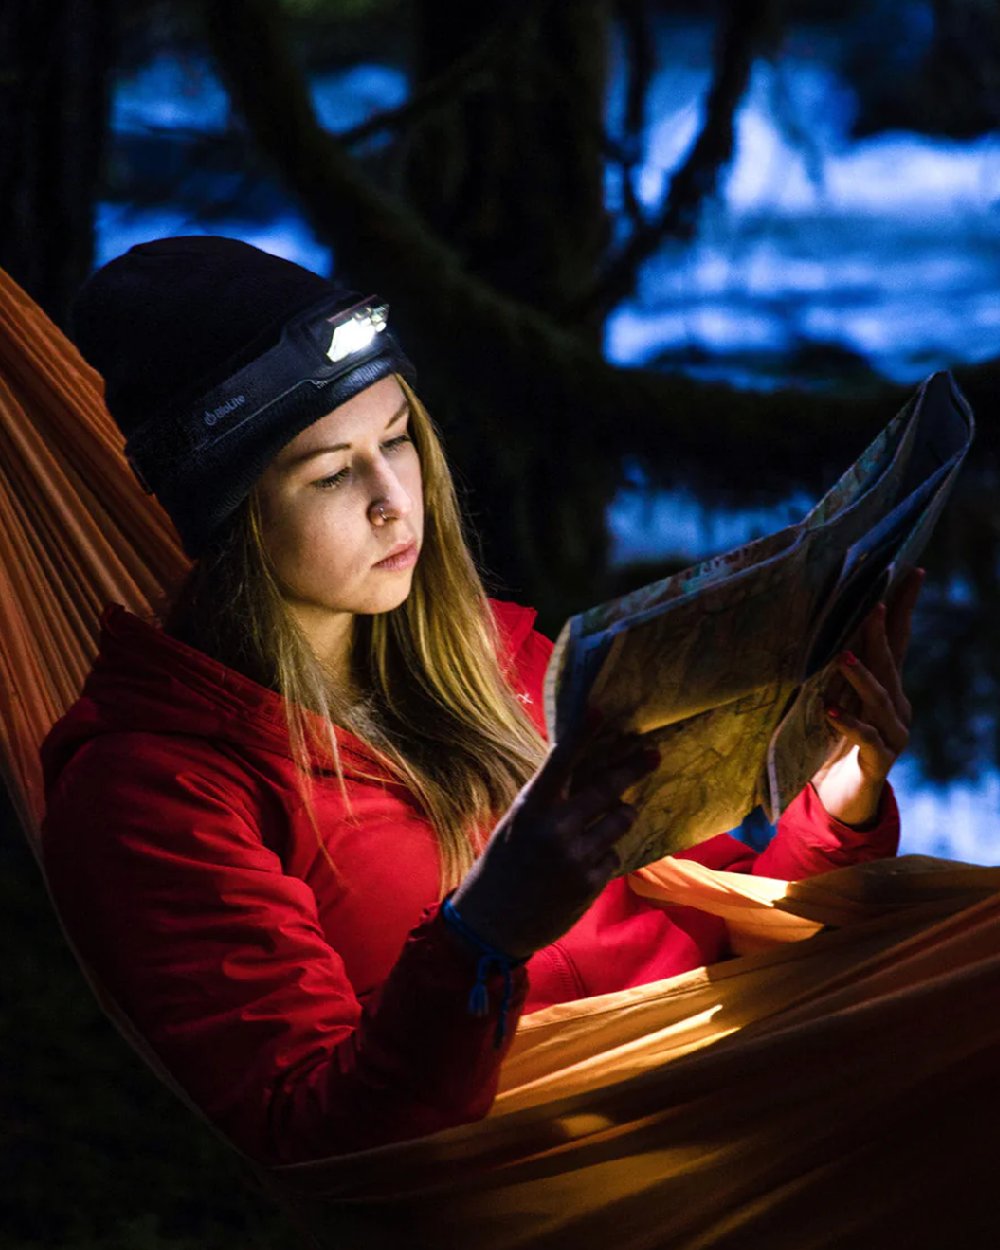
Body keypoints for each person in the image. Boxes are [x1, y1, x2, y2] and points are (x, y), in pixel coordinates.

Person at [40, 237, 917, 1168]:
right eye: (333, 473)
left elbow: (726, 890)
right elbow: (315, 1136)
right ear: (230, 519)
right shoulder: (155, 794)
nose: (393, 500)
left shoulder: (500, 660)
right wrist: (484, 933)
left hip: (750, 1064)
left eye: (398, 440)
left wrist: (836, 797)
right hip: (597, 1168)